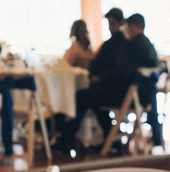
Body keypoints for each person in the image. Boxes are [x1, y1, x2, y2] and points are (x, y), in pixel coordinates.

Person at [58, 10, 160, 153]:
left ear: (132, 26)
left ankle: (66, 139)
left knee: (84, 97)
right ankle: (108, 137)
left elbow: (122, 72)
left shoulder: (133, 45)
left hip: (131, 95)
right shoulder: (145, 44)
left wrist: (101, 79)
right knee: (91, 96)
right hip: (141, 94)